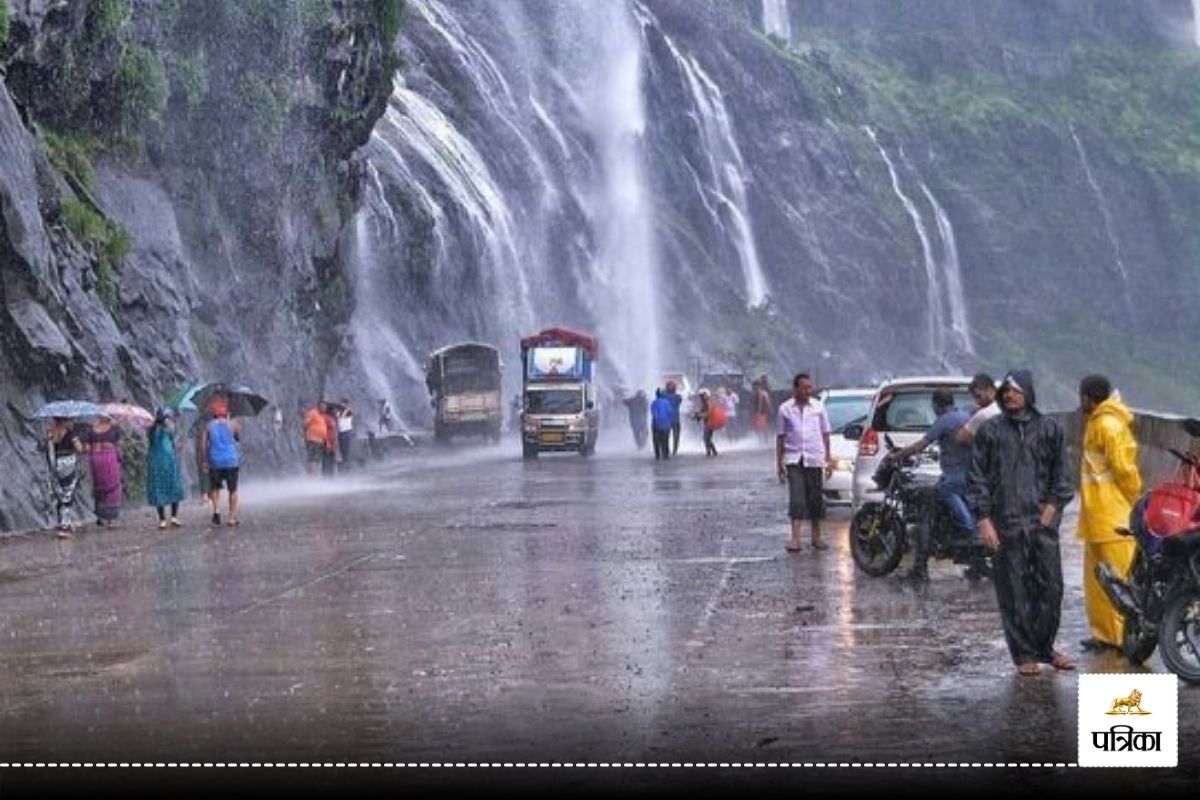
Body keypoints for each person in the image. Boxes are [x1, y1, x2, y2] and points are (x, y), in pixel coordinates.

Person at [967, 369, 1075, 676]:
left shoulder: (1050, 429)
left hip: (1042, 524)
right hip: (1005, 522)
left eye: (1016, 390)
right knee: (1014, 591)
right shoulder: (990, 431)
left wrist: (1052, 508)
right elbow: (976, 478)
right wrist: (984, 519)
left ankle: (1045, 647)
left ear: (1028, 392)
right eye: (1006, 391)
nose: (1011, 395)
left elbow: (1063, 475)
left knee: (1051, 589)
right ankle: (1024, 653)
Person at [1077, 374, 1142, 653]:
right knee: (1097, 582)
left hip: (1112, 517)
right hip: (1096, 517)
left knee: (1117, 581)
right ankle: (1104, 634)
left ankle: (1121, 637)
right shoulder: (1097, 422)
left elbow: (1126, 471)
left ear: (1088, 398)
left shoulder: (1109, 425)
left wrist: (1136, 503)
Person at [884, 388, 973, 581]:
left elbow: (920, 445)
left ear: (935, 405)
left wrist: (897, 456)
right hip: (970, 476)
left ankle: (920, 568)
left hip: (955, 478)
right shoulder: (964, 416)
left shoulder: (944, 421)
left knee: (927, 509)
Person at [775, 372, 833, 553]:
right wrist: (779, 462)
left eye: (810, 387)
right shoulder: (785, 409)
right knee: (797, 498)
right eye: (805, 388)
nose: (808, 391)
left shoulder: (818, 407)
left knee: (815, 498)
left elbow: (825, 433)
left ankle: (816, 537)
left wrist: (828, 457)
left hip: (814, 457)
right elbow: (780, 437)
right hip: (794, 458)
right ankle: (795, 538)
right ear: (795, 389)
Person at [201, 396, 242, 527]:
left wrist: (205, 461)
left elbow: (203, 445)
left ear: (214, 414)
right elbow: (238, 438)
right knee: (233, 490)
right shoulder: (233, 424)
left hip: (215, 461)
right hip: (231, 460)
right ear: (226, 413)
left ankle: (216, 510)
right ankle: (231, 517)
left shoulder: (209, 426)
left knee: (214, 487)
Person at [146, 407, 185, 530]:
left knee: (158, 488)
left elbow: (151, 444)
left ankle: (162, 520)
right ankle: (174, 517)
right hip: (169, 460)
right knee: (173, 486)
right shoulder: (169, 428)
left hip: (156, 461)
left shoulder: (151, 430)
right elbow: (172, 444)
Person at [46, 417, 83, 536]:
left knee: (59, 493)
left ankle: (62, 522)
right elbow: (79, 448)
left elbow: (48, 450)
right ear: (65, 421)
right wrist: (76, 441)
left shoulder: (51, 432)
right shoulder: (70, 433)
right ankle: (64, 527)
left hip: (55, 464)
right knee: (68, 494)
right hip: (68, 464)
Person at [85, 415, 123, 528]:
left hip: (105, 457)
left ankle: (109, 517)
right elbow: (87, 445)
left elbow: (118, 443)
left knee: (110, 486)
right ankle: (102, 516)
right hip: (99, 458)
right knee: (101, 486)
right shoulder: (93, 427)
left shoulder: (113, 427)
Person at [956, 372, 1000, 446]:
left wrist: (972, 416)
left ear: (990, 390)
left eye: (978, 396)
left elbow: (960, 438)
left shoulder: (983, 414)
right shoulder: (1007, 407)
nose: (977, 401)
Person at [694, 389, 722, 457]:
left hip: (710, 422)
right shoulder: (705, 403)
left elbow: (708, 413)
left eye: (702, 396)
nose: (701, 398)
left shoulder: (708, 403)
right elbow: (702, 412)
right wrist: (697, 416)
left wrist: (699, 416)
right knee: (707, 438)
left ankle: (709, 451)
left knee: (706, 438)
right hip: (708, 422)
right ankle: (713, 451)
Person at [303, 403, 327, 476]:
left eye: (325, 407)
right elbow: (305, 424)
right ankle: (311, 476)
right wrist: (308, 432)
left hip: (320, 441)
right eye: (322, 406)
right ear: (318, 406)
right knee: (311, 459)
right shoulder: (312, 413)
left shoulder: (322, 415)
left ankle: (317, 475)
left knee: (318, 459)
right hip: (312, 439)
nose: (324, 408)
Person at [650, 388, 674, 461]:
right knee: (665, 440)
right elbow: (670, 412)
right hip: (666, 425)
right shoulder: (667, 402)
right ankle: (665, 454)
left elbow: (654, 414)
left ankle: (657, 455)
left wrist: (657, 421)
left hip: (656, 425)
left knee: (656, 441)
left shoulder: (654, 403)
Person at [665, 380, 684, 455]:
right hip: (675, 419)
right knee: (676, 436)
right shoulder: (678, 397)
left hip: (667, 419)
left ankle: (666, 449)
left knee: (666, 435)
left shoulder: (664, 396)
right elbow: (680, 400)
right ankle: (674, 450)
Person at [753, 378, 772, 444]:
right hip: (763, 411)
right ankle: (763, 440)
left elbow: (761, 402)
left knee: (762, 426)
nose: (754, 387)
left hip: (762, 412)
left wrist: (759, 411)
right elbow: (768, 402)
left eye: (755, 386)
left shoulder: (761, 393)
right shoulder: (763, 392)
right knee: (761, 426)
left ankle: (763, 440)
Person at [322, 403, 340, 477]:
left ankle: (331, 475)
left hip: (333, 441)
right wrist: (327, 442)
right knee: (326, 458)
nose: (336, 411)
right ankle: (326, 475)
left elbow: (336, 430)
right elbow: (324, 430)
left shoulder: (334, 418)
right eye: (335, 410)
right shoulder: (326, 418)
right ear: (331, 410)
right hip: (327, 441)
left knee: (332, 458)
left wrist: (336, 441)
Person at [336, 399, 354, 470]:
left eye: (343, 404)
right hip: (340, 432)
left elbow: (346, 414)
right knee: (341, 449)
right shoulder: (338, 412)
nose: (342, 405)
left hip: (346, 432)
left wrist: (346, 407)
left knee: (346, 449)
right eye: (341, 404)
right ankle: (344, 463)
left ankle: (346, 465)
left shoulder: (349, 411)